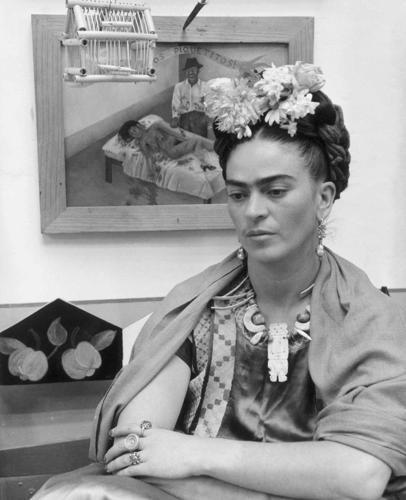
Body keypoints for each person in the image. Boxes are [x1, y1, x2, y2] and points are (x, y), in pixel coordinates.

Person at [34, 63, 406, 500]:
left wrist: (196, 457)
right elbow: (136, 450)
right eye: (238, 193)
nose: (253, 211)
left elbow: (359, 476)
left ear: (323, 198)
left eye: (276, 191)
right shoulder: (195, 307)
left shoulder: (367, 316)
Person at [170, 57, 209, 137]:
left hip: (200, 121)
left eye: (193, 69)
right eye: (188, 70)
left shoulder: (206, 86)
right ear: (186, 72)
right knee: (185, 140)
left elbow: (209, 104)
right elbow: (175, 104)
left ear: (198, 71)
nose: (191, 72)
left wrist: (207, 118)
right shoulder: (179, 87)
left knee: (199, 141)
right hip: (184, 120)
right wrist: (175, 117)